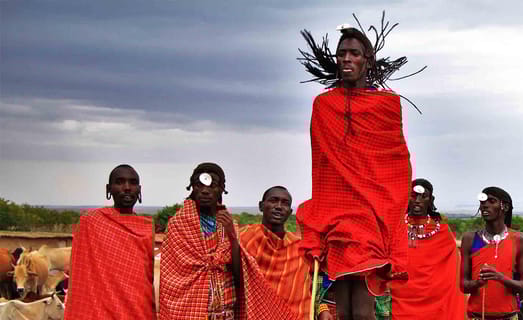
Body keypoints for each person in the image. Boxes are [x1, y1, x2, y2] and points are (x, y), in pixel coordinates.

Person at [296, 14, 423, 320]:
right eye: (341, 53)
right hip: (337, 214)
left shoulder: (387, 104)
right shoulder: (323, 105)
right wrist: (321, 219)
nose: (346, 59)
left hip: (373, 214)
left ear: (368, 60)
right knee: (343, 304)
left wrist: (390, 214)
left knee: (363, 307)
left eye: (354, 53)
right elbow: (321, 166)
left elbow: (396, 162)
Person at [159, 162, 294, 320]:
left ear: (221, 189)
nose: (205, 191)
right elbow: (171, 277)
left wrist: (231, 234)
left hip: (226, 311)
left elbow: (238, 273)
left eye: (212, 186)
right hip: (189, 310)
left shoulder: (229, 224)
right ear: (192, 188)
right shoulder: (178, 225)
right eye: (199, 185)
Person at [65, 164, 156, 319]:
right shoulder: (90, 222)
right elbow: (82, 274)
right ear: (109, 189)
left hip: (138, 309)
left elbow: (146, 277)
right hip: (100, 311)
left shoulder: (146, 228)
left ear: (139, 190)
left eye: (133, 183)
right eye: (119, 182)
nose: (127, 187)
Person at [389, 179, 467, 319]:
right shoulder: (394, 227)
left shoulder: (442, 231)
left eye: (423, 196)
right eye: (413, 196)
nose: (418, 201)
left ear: (431, 200)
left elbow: (452, 271)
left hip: (436, 299)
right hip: (400, 296)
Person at [238, 186, 313, 317]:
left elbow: (313, 286)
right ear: (261, 206)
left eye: (285, 203)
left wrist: (323, 309)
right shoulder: (243, 238)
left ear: (290, 212)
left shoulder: (300, 248)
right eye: (273, 200)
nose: (279, 206)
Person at [460, 186, 523, 320]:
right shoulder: (470, 239)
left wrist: (500, 278)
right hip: (476, 316)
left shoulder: (519, 239)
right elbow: (463, 285)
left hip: (509, 316)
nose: (485, 206)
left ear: (505, 207)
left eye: (492, 201)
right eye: (482, 202)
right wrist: (477, 283)